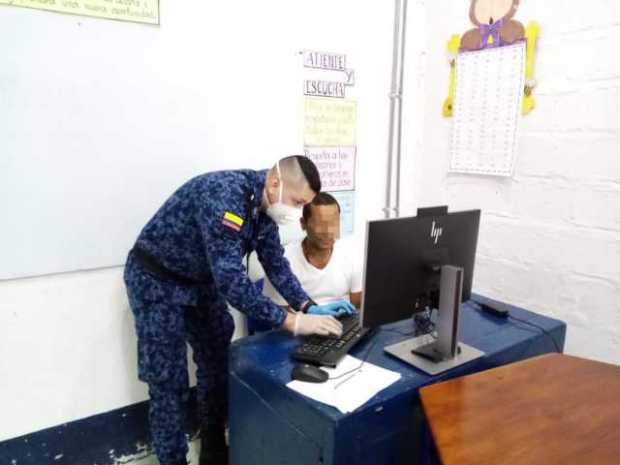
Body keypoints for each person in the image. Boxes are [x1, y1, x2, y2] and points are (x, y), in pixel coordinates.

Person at [123, 156, 353, 465]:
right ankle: (173, 461)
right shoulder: (225, 197)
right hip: (157, 281)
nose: (298, 212)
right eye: (298, 202)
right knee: (168, 381)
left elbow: (276, 265)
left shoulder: (267, 210)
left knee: (217, 360)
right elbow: (232, 282)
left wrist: (308, 306)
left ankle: (214, 446)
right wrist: (291, 321)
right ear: (275, 183)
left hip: (201, 281)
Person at [262, 192, 363, 312]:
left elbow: (358, 304)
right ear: (303, 224)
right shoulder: (282, 260)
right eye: (320, 224)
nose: (328, 231)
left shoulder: (351, 253)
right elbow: (278, 313)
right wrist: (311, 320)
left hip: (342, 323)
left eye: (333, 223)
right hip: (299, 327)